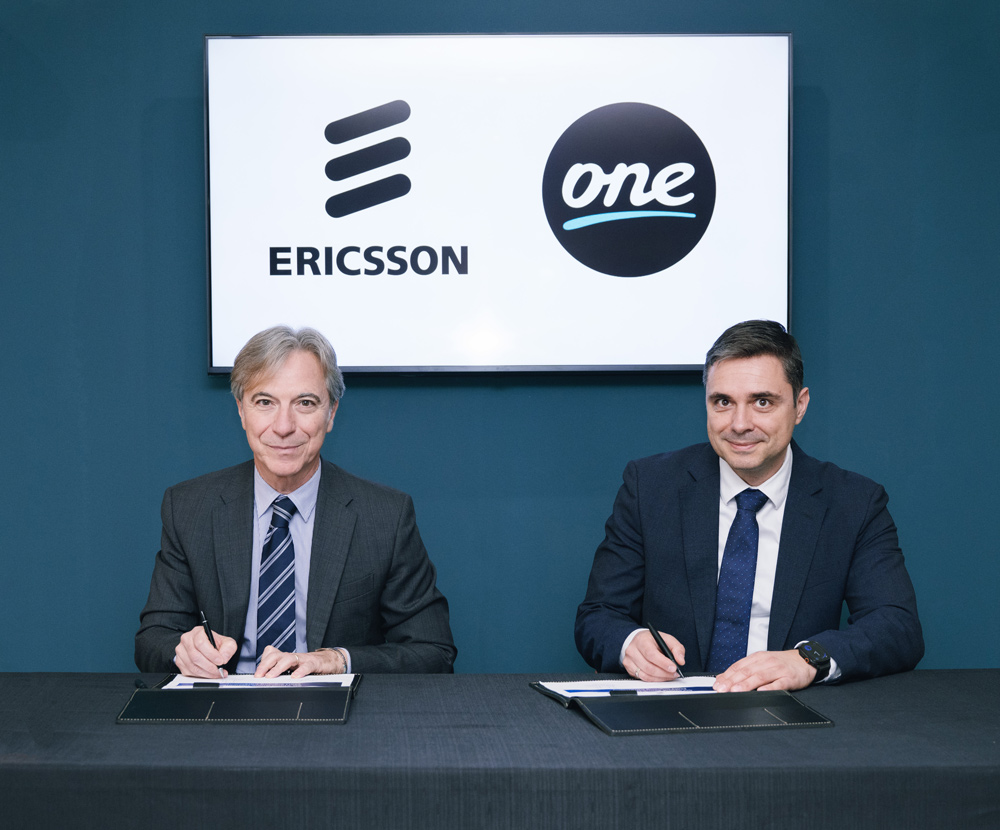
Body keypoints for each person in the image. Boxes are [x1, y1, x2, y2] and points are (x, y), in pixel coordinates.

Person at [575, 320, 923, 691]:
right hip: (669, 711)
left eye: (762, 402)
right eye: (723, 402)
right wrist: (630, 644)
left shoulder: (853, 502)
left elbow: (897, 626)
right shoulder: (649, 487)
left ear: (800, 405)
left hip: (793, 712)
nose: (740, 424)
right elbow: (599, 615)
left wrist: (807, 659)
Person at [136, 326, 456, 677]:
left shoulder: (385, 517)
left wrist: (336, 660)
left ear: (331, 413)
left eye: (305, 403)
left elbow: (433, 651)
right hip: (223, 701)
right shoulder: (189, 508)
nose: (284, 426)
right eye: (265, 402)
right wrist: (183, 652)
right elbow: (153, 639)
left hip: (336, 706)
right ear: (241, 411)